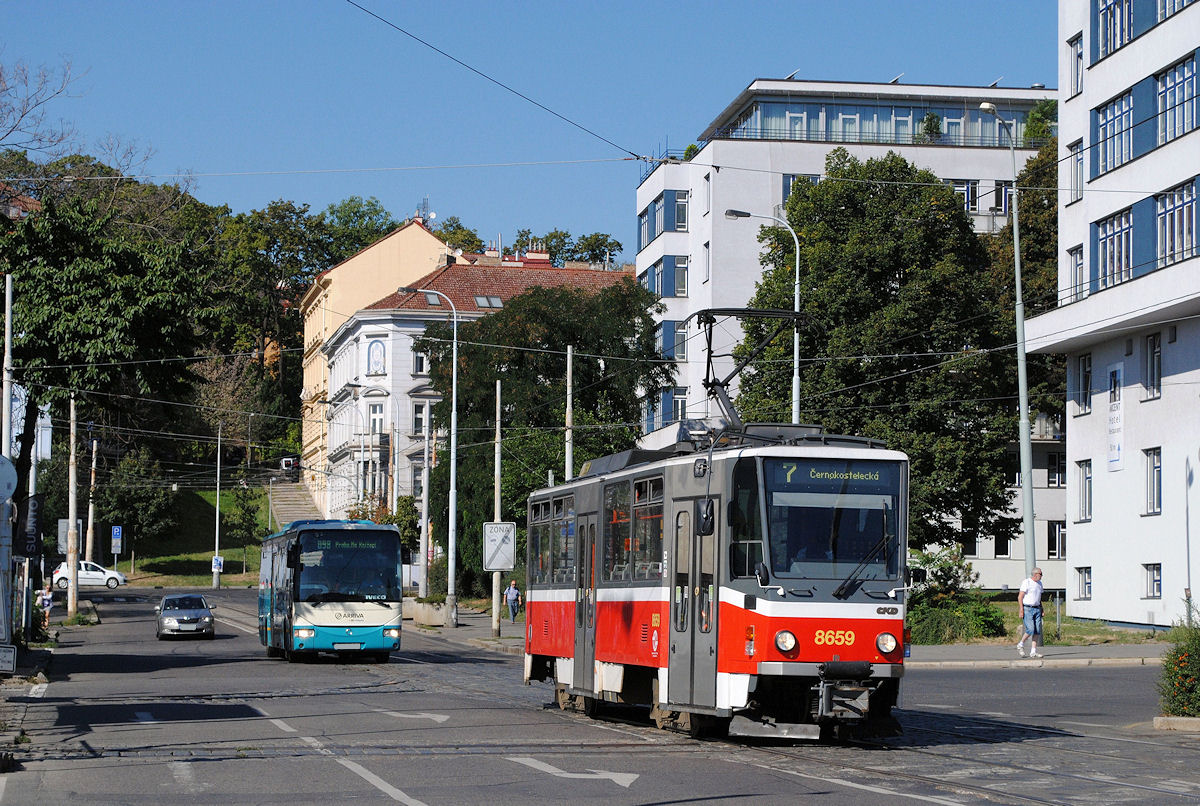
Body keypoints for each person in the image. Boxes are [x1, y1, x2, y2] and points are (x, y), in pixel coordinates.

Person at [1016, 567, 1044, 658]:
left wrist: (1042, 609)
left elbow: (1039, 598)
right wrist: (1021, 609)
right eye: (1040, 574)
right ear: (1035, 574)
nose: (1041, 576)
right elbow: (1020, 597)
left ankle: (1033, 651)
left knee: (1037, 631)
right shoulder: (1026, 582)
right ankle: (1020, 644)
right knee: (1030, 629)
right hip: (1028, 608)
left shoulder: (1040, 584)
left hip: (1037, 608)